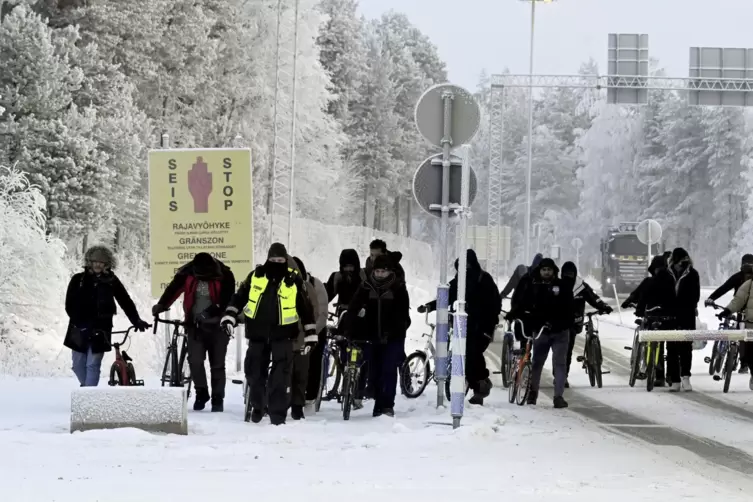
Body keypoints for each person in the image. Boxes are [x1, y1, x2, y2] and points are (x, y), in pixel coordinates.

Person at [221, 243, 316, 425]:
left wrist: (310, 333)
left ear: (285, 260)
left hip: (284, 335)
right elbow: (239, 297)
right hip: (257, 333)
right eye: (273, 260)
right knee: (254, 373)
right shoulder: (256, 276)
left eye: (280, 260)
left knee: (280, 378)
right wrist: (229, 316)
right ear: (267, 259)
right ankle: (258, 406)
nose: (276, 263)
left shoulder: (293, 279)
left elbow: (306, 308)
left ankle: (277, 416)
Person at [152, 252, 236, 412]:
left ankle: (218, 399)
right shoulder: (187, 273)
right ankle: (201, 392)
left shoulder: (225, 274)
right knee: (195, 361)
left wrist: (209, 313)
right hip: (194, 325)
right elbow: (173, 290)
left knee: (217, 365)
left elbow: (227, 300)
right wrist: (161, 305)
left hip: (218, 326)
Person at [418, 249, 501, 405]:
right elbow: (445, 297)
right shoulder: (458, 282)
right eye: (462, 266)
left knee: (472, 355)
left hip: (481, 328)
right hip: (462, 326)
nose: (466, 269)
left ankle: (480, 387)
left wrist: (488, 326)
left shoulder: (484, 279)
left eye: (468, 265)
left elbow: (495, 305)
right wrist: (429, 306)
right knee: (461, 355)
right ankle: (465, 385)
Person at [64, 246, 149, 387]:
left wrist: (136, 320)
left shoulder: (111, 281)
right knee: (77, 364)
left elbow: (125, 301)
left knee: (93, 364)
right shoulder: (78, 279)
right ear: (89, 262)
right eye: (95, 261)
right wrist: (80, 323)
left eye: (101, 262)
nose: (98, 264)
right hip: (79, 328)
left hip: (101, 329)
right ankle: (87, 390)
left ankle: (89, 398)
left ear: (107, 264)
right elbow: (69, 304)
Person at [343, 254, 410, 417]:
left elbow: (403, 317)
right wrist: (348, 328)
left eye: (383, 272)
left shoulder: (398, 288)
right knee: (375, 370)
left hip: (392, 338)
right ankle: (377, 404)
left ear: (389, 272)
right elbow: (353, 308)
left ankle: (386, 405)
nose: (380, 274)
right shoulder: (365, 287)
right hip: (372, 336)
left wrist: (393, 331)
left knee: (388, 370)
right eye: (377, 271)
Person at [507, 258, 573, 408]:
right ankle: (532, 393)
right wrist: (514, 314)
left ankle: (558, 396)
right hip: (541, 331)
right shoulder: (533, 285)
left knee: (559, 364)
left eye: (549, 270)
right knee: (537, 363)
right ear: (539, 271)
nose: (547, 272)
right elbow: (524, 303)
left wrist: (559, 323)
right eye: (544, 270)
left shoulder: (562, 286)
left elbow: (569, 309)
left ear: (554, 270)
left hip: (560, 332)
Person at [641, 248, 700, 392]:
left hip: (686, 315)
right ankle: (675, 380)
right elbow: (654, 290)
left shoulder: (692, 274)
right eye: (680, 261)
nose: (682, 264)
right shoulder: (665, 274)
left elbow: (695, 296)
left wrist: (683, 305)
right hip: (669, 316)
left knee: (686, 348)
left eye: (684, 261)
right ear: (674, 261)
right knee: (672, 348)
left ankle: (686, 377)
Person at [287, 256, 327, 419]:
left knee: (311, 363)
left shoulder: (315, 286)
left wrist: (311, 334)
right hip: (290, 332)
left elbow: (321, 313)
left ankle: (309, 398)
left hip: (313, 330)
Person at [560, 262, 612, 387]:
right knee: (563, 352)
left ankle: (562, 376)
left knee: (567, 351)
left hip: (574, 323)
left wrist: (603, 306)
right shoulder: (557, 285)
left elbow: (593, 297)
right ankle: (561, 376)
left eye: (571, 274)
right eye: (566, 274)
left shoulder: (580, 286)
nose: (569, 276)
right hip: (560, 324)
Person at [705, 253, 753, 373]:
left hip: (740, 310)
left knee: (744, 337)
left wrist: (712, 299)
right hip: (740, 310)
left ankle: (743, 362)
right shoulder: (739, 278)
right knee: (743, 336)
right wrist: (712, 298)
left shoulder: (739, 277)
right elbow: (725, 288)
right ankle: (743, 363)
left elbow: (725, 288)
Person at [630, 254, 671, 386]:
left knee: (652, 341)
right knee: (665, 345)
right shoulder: (671, 279)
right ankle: (666, 375)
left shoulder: (650, 281)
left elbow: (642, 295)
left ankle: (653, 371)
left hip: (651, 314)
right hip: (667, 316)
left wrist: (639, 310)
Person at [720, 263, 753, 390]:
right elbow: (738, 301)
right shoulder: (749, 285)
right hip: (750, 326)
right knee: (750, 354)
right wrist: (727, 310)